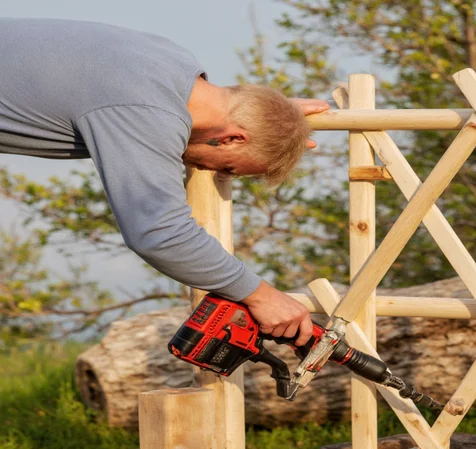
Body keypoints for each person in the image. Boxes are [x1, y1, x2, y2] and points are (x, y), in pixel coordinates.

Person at [0, 18, 328, 344]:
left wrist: (278, 118)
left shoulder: (175, 63)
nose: (219, 175)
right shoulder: (146, 113)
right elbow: (158, 232)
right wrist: (262, 296)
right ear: (231, 139)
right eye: (228, 168)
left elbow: (191, 106)